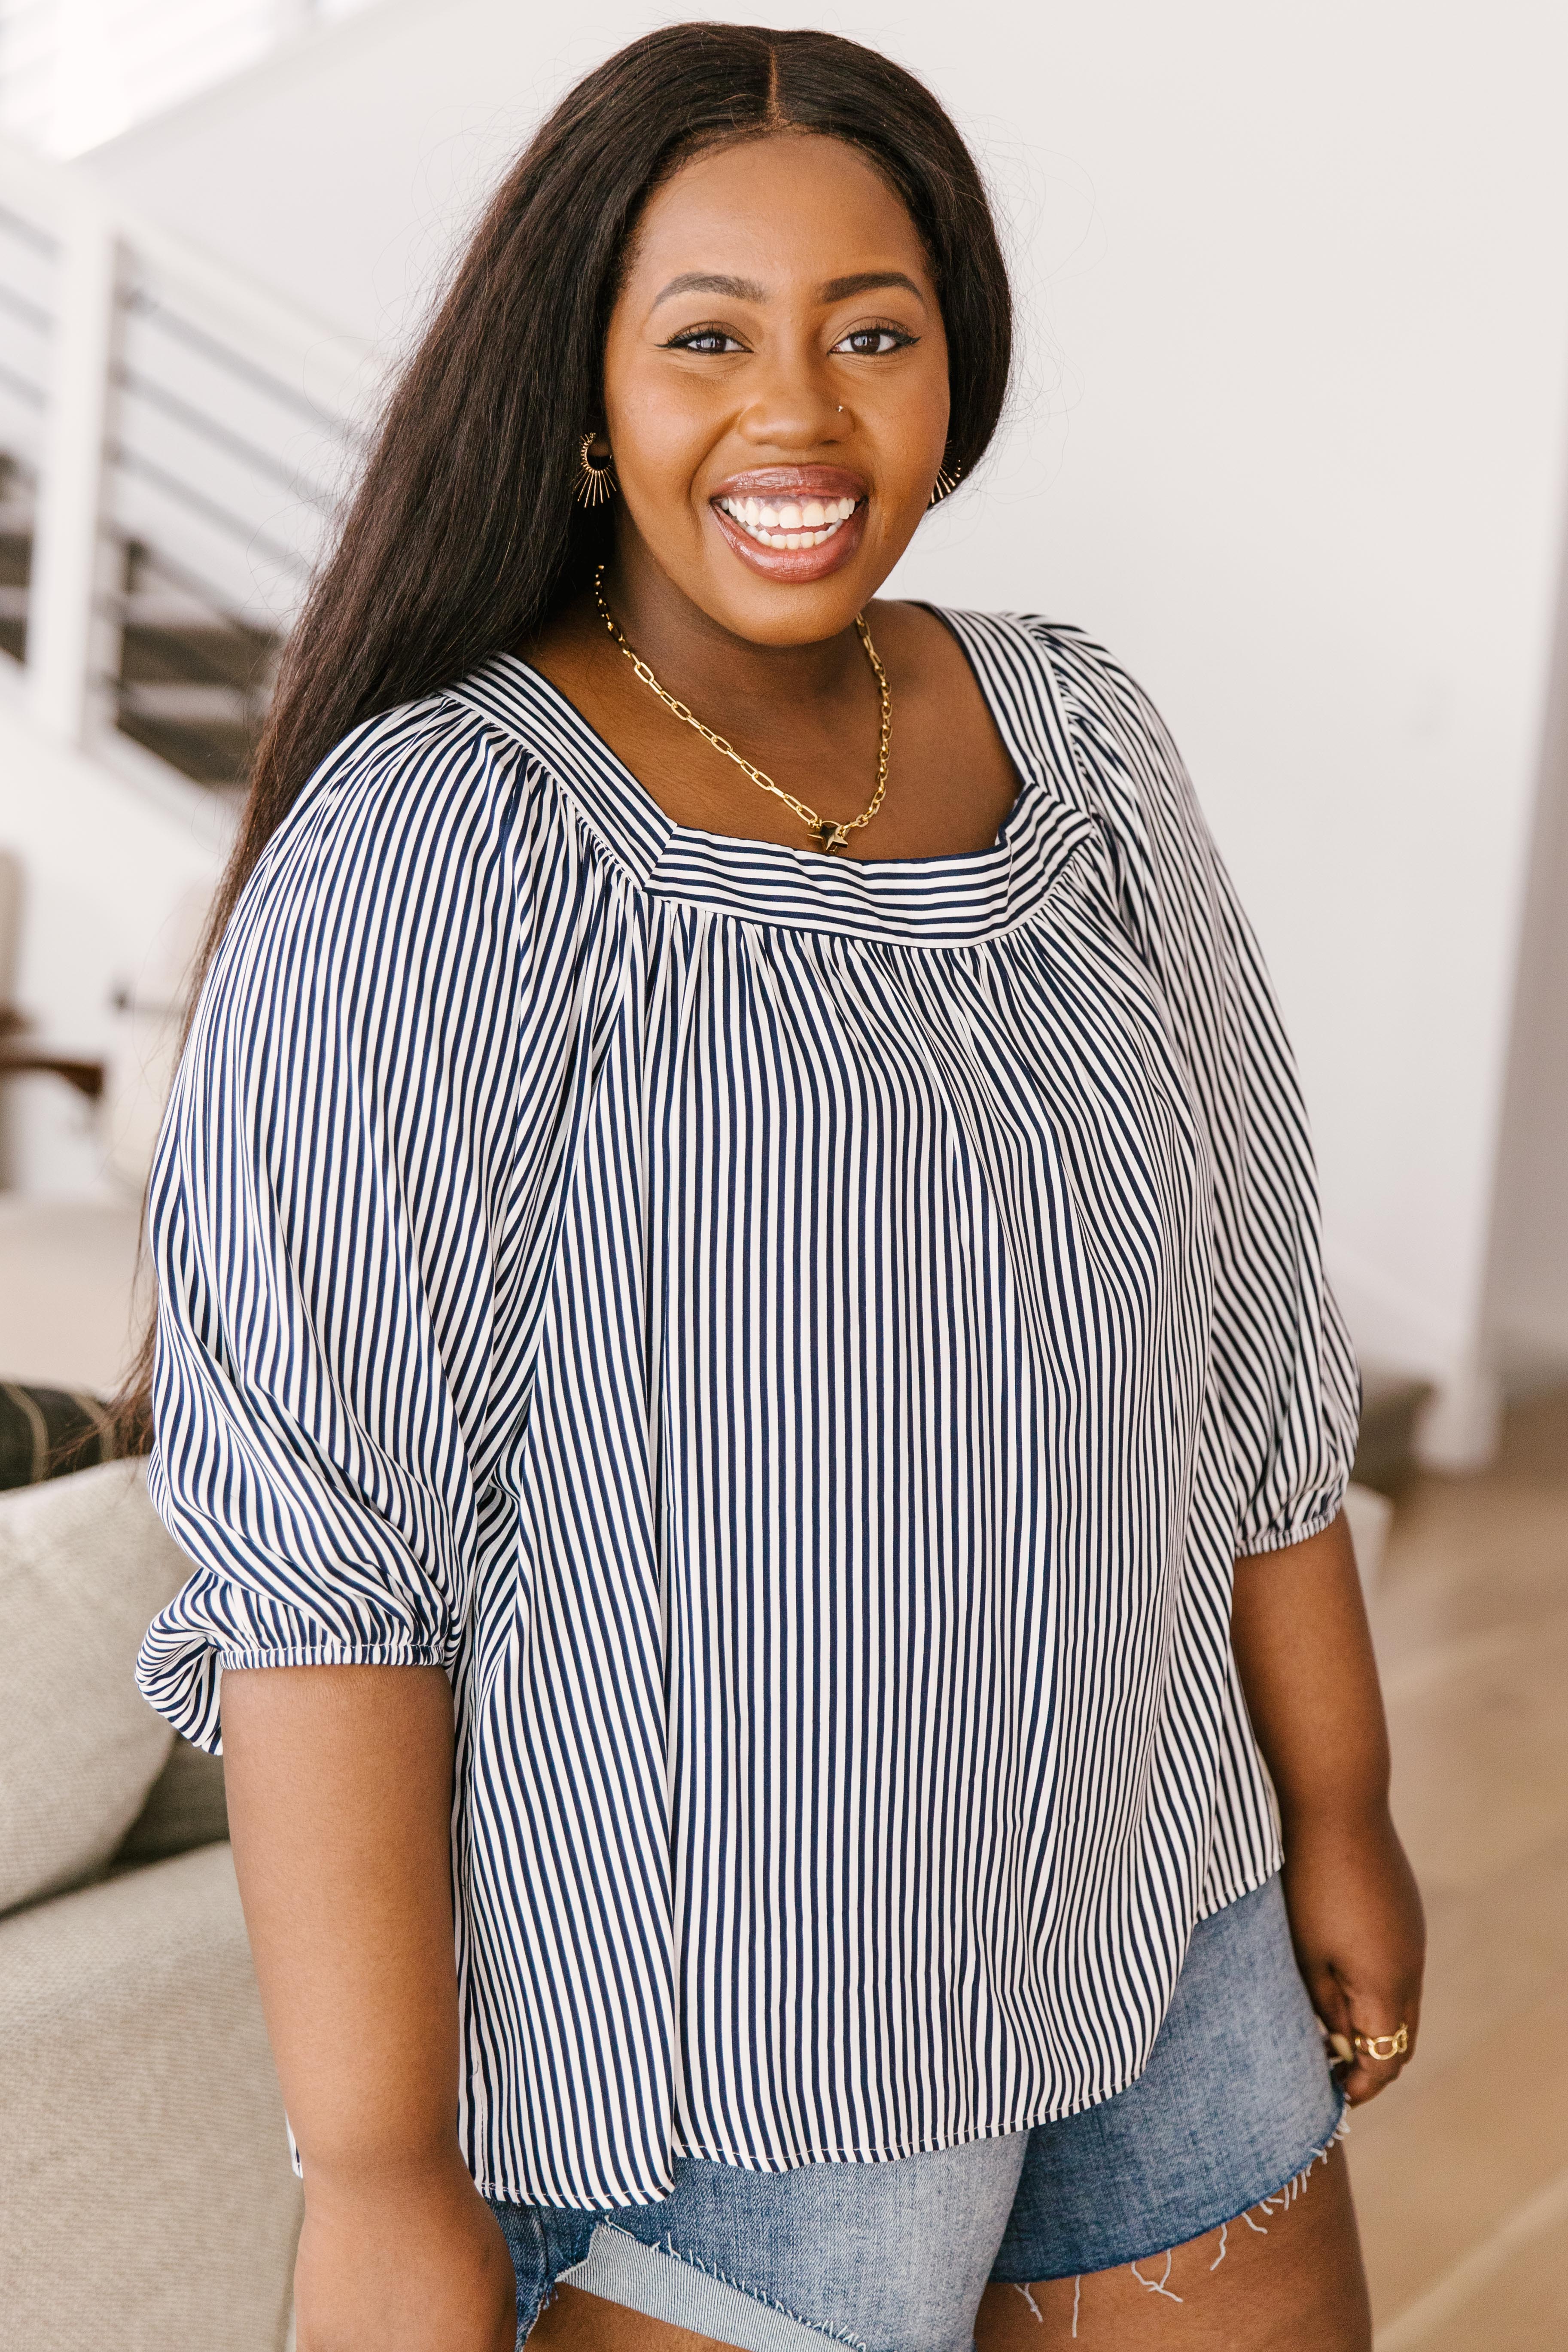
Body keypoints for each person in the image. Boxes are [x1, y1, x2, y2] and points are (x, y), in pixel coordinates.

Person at [131, 23, 1424, 2351]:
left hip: (1158, 1905)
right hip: (741, 2045)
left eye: (872, 332)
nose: (799, 416)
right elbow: (327, 1570)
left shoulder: (1086, 745)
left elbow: (1249, 1346)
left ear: (958, 363)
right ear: (579, 388)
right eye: (705, 337)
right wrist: (386, 2173)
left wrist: (1335, 1797)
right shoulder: (446, 843)